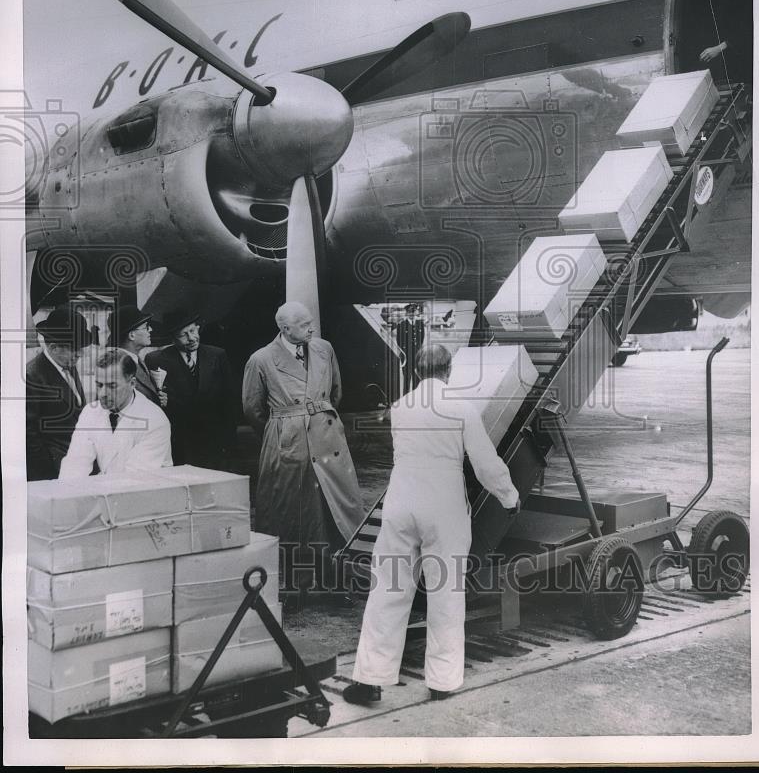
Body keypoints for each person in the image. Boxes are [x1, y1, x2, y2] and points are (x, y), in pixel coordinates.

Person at [344, 343, 520, 705]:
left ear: (417, 372)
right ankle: (441, 681)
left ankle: (370, 679)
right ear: (449, 371)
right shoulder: (462, 409)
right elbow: (485, 463)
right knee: (446, 592)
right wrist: (509, 497)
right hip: (444, 504)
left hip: (401, 500)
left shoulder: (400, 408)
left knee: (388, 589)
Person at [242, 301, 364, 596]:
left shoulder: (324, 349)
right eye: (305, 324)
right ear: (285, 329)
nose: (312, 328)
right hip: (289, 444)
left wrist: (320, 422)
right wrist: (283, 433)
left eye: (311, 322)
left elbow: (336, 392)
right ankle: (296, 584)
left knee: (333, 509)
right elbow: (252, 409)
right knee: (293, 511)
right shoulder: (261, 360)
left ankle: (336, 580)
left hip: (326, 439)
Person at [59, 348, 172, 478]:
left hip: (148, 492)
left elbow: (133, 480)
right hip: (110, 490)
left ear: (132, 383)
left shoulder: (154, 419)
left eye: (112, 386)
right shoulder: (90, 412)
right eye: (99, 385)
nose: (102, 394)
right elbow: (75, 463)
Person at [146, 310, 236, 469]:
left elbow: (229, 400)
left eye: (193, 331)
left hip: (213, 439)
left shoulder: (217, 355)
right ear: (173, 338)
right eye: (183, 335)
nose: (192, 338)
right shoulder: (157, 359)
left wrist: (228, 440)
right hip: (180, 441)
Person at [26, 306, 94, 481]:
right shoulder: (33, 376)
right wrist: (49, 470)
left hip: (79, 464)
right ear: (54, 347)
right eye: (74, 348)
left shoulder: (68, 365)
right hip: (55, 472)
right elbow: (29, 433)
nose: (79, 353)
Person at [108, 304, 166, 407]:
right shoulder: (117, 367)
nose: (151, 330)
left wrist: (158, 399)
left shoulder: (136, 359)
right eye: (146, 327)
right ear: (131, 335)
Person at [395, 303, 426, 394]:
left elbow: (421, 339)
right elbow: (399, 341)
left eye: (413, 312)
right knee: (407, 378)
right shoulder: (402, 324)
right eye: (410, 312)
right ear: (407, 313)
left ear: (416, 312)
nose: (412, 314)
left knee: (417, 378)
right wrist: (404, 352)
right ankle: (406, 398)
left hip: (417, 355)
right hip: (406, 355)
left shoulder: (420, 323)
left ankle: (415, 397)